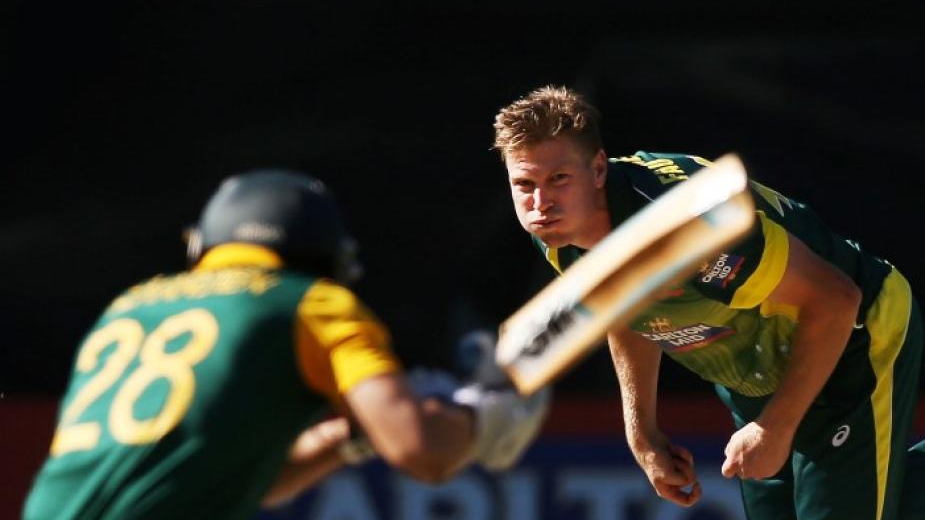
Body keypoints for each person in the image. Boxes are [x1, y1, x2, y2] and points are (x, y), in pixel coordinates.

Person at [492, 85, 925, 520]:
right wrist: (642, 431)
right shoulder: (556, 235)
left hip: (850, 342)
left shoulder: (692, 229)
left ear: (597, 170)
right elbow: (627, 308)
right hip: (758, 375)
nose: (540, 202)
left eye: (558, 179)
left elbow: (835, 299)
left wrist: (775, 428)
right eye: (524, 184)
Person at [22, 169, 549, 519]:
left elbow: (240, 480)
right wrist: (482, 418)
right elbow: (423, 451)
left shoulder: (132, 304)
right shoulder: (312, 303)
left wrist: (350, 436)